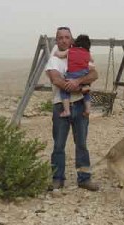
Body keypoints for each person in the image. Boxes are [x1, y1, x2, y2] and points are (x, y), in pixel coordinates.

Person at [45, 27, 99, 191]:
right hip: (60, 105)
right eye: (60, 37)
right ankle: (57, 178)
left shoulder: (79, 53)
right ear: (56, 40)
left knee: (81, 144)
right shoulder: (54, 59)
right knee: (59, 145)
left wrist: (78, 81)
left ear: (71, 39)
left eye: (66, 37)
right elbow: (56, 79)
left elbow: (94, 74)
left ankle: (84, 178)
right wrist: (78, 86)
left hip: (80, 105)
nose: (63, 40)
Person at [54, 34, 93, 117]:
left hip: (73, 74)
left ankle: (67, 111)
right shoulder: (87, 52)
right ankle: (88, 110)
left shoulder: (70, 50)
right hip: (84, 73)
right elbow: (92, 61)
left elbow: (60, 55)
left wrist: (56, 52)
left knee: (64, 91)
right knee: (86, 93)